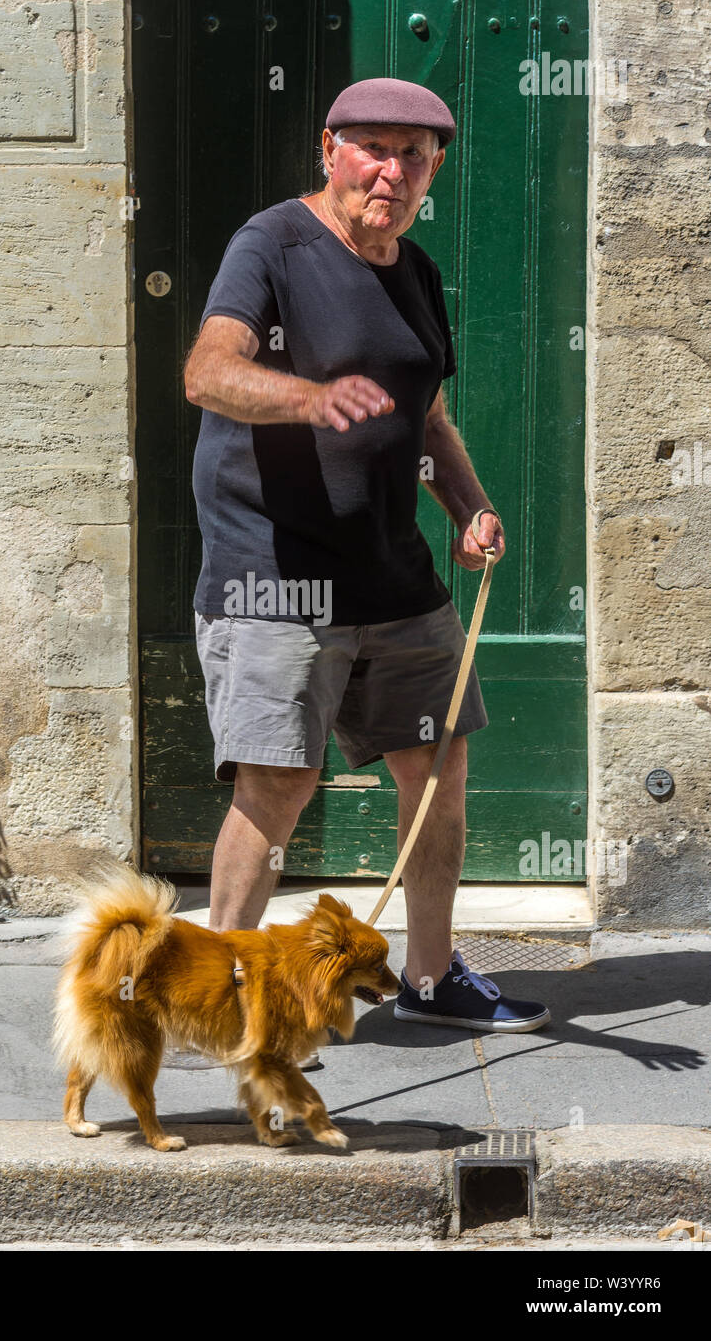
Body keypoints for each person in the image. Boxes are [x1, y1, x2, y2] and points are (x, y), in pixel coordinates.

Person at [184, 78, 550, 1034]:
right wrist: (304, 398)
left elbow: (427, 416)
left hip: (395, 577)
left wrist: (466, 505)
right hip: (276, 575)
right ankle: (225, 999)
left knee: (437, 775)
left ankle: (432, 980)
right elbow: (207, 372)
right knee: (278, 785)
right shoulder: (271, 246)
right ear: (329, 149)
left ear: (435, 170)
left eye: (415, 155)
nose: (392, 171)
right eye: (373, 149)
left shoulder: (415, 273)